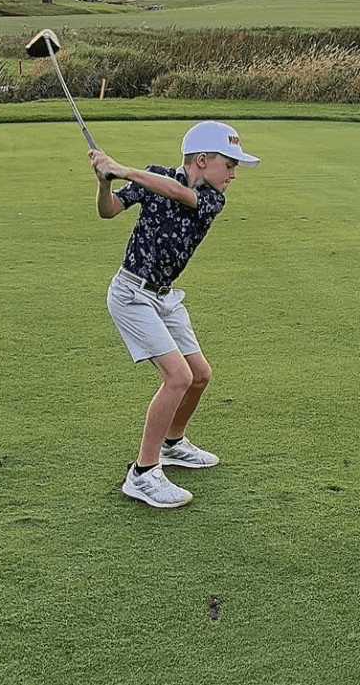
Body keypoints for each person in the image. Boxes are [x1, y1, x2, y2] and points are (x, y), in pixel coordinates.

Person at [89, 120, 260, 509]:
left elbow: (179, 193)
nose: (233, 173)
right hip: (131, 294)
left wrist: (125, 169)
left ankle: (172, 444)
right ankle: (143, 474)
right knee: (178, 376)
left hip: (164, 298)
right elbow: (109, 210)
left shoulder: (210, 198)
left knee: (200, 375)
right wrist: (104, 181)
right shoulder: (155, 178)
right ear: (203, 159)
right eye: (229, 163)